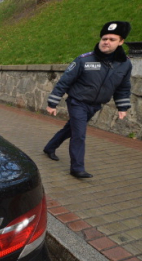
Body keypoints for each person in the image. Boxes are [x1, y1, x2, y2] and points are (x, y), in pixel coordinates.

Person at [43, 21, 132, 179]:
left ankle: (50, 147)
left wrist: (122, 107)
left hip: (95, 105)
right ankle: (77, 168)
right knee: (79, 134)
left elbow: (123, 87)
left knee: (71, 129)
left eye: (112, 39)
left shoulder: (125, 64)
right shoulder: (84, 59)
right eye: (104, 38)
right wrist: (52, 103)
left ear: (121, 42)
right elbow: (65, 81)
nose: (106, 42)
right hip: (77, 102)